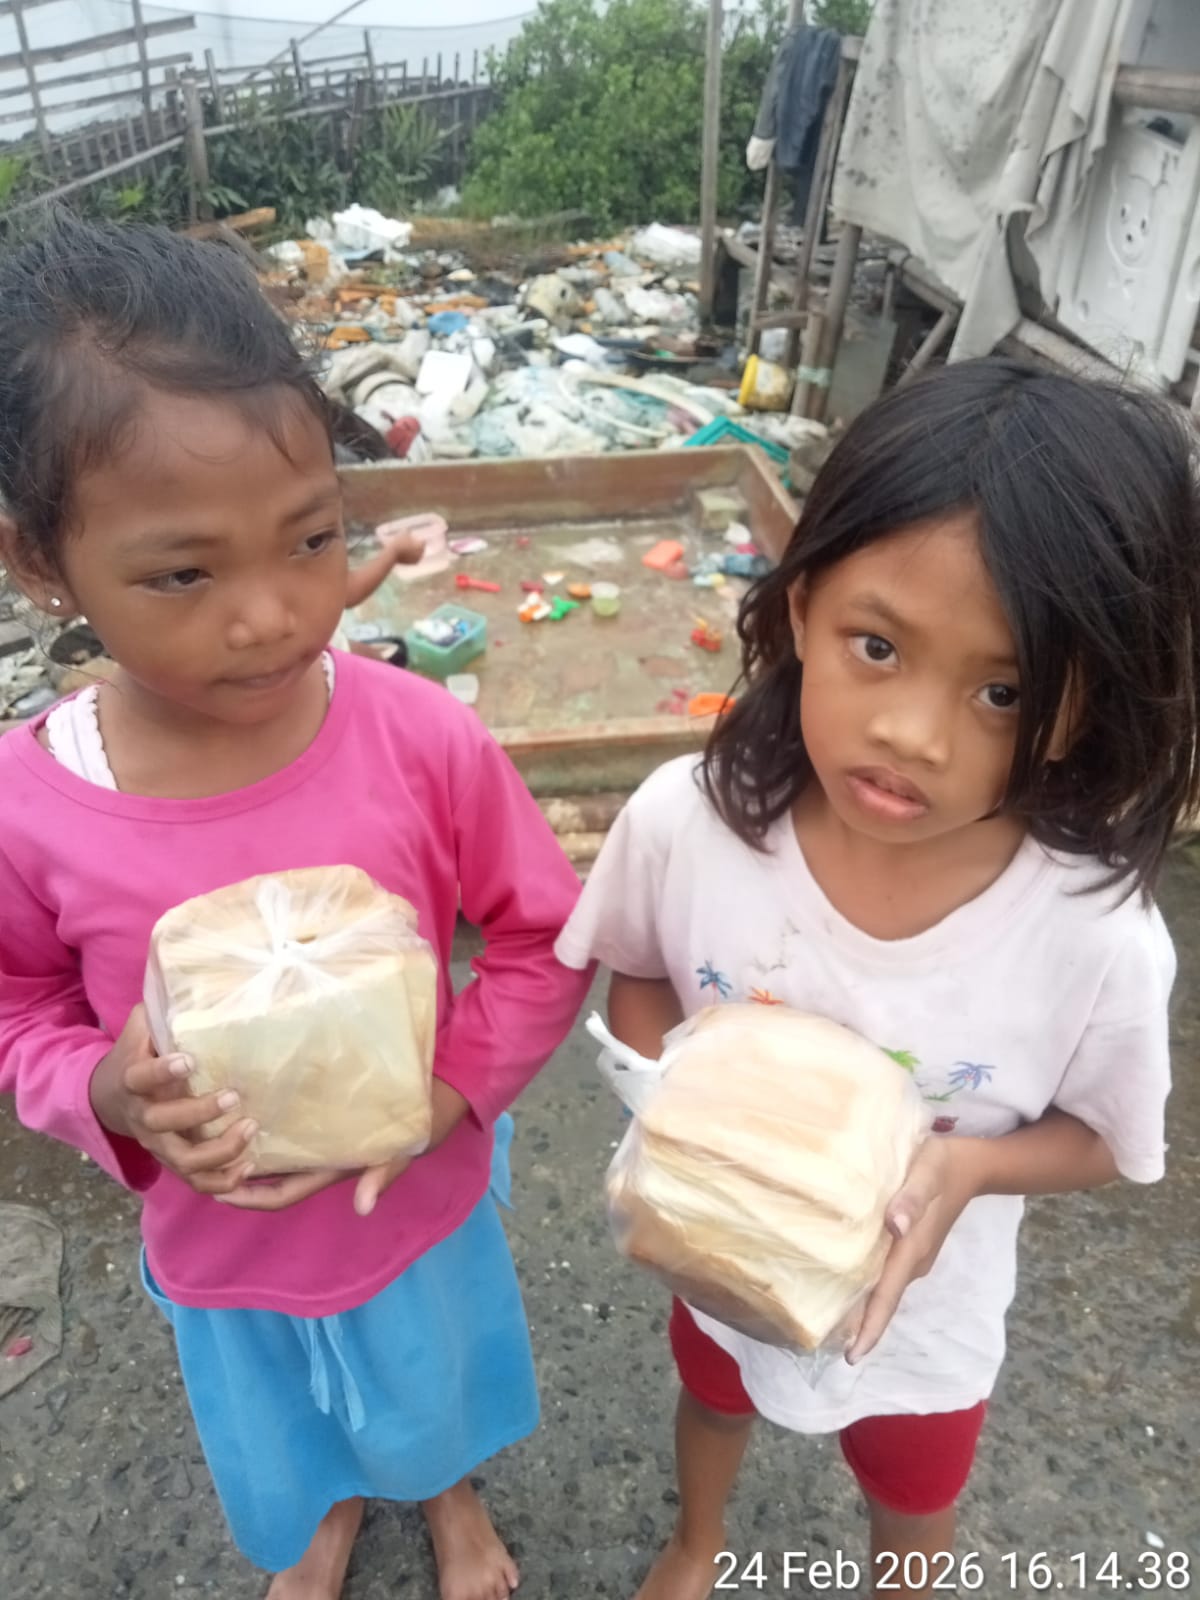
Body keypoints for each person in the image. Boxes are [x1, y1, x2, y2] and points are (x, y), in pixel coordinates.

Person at [0, 214, 591, 1600]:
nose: (269, 613)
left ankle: (445, 1491)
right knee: (285, 1410)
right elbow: (20, 1008)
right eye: (183, 573)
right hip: (222, 1240)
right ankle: (329, 1506)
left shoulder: (419, 737)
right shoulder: (30, 806)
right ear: (39, 564)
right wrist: (110, 1093)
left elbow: (538, 936)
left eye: (312, 538)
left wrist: (447, 1095)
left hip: (412, 1200)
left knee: (430, 1378)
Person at [555, 359, 1200, 1599]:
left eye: (1003, 691)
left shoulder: (1094, 938)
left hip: (925, 1313)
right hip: (719, 1253)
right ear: (801, 610)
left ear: (1086, 707)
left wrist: (972, 1167)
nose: (914, 730)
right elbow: (636, 972)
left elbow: (1105, 1138)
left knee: (912, 1487)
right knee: (714, 1394)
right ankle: (700, 1543)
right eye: (878, 645)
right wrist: (669, 1119)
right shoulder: (691, 824)